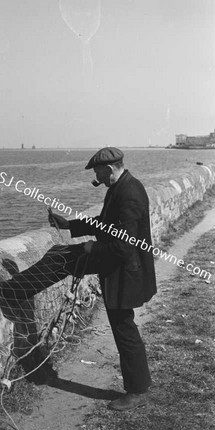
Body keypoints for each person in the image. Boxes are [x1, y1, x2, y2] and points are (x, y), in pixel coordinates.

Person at [48, 147, 157, 411]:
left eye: (97, 171)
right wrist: (69, 225)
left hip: (125, 273)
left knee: (124, 329)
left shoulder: (129, 194)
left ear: (108, 169)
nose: (96, 176)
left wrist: (92, 248)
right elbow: (104, 224)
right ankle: (139, 386)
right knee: (124, 328)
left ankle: (138, 391)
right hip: (121, 271)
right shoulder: (121, 187)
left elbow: (124, 246)